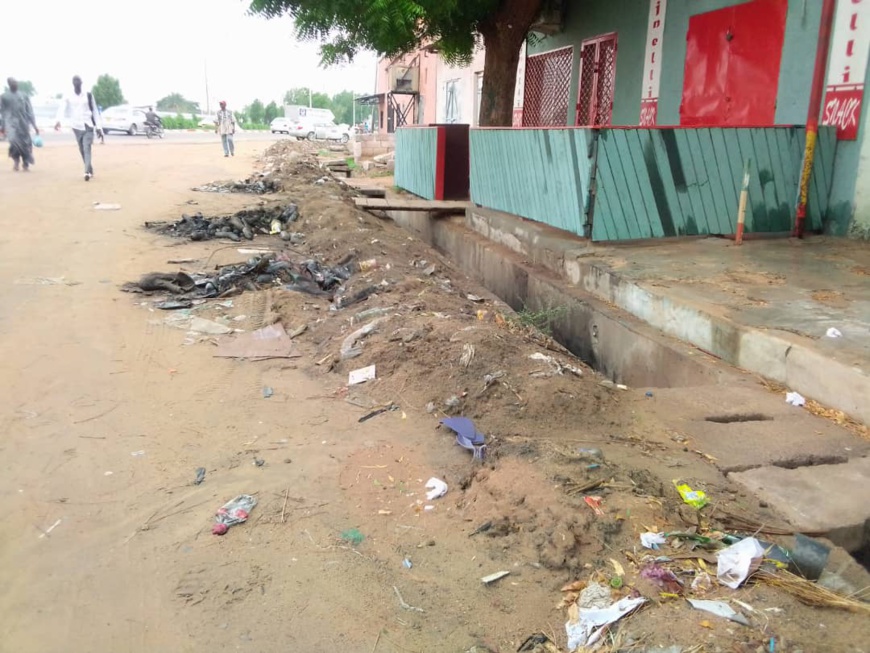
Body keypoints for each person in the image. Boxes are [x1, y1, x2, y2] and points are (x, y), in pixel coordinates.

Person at [54, 75, 104, 181]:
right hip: (76, 126)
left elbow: (94, 110)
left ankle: (86, 172)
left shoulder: (88, 95)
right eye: (74, 81)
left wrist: (99, 127)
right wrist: (58, 120)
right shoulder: (68, 96)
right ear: (72, 83)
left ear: (81, 83)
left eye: (78, 81)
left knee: (87, 147)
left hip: (88, 125)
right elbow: (62, 108)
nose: (76, 83)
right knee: (82, 149)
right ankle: (90, 169)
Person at [0, 78, 39, 171]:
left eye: (16, 82)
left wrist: (34, 125)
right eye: (13, 82)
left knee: (26, 143)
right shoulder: (4, 96)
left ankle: (26, 163)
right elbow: (2, 111)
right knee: (14, 142)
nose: (15, 84)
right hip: (10, 123)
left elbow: (29, 110)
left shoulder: (24, 96)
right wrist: (2, 126)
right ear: (9, 84)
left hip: (23, 123)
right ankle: (16, 161)